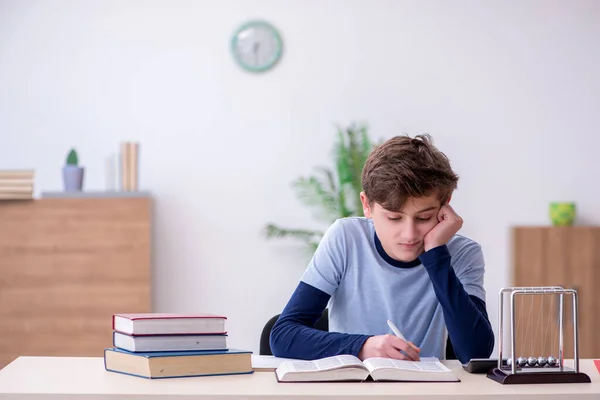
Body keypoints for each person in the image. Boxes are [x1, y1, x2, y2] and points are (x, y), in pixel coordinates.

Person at [269, 134, 494, 364]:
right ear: (367, 205)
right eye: (394, 218)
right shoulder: (346, 238)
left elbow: (475, 353)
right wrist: (362, 347)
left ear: (446, 202)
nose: (409, 234)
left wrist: (436, 254)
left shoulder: (463, 253)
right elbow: (283, 336)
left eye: (424, 217)